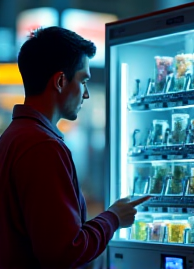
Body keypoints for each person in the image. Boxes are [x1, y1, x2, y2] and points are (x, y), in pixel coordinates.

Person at [0, 26, 151, 269]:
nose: (86, 94)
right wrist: (113, 218)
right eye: (83, 81)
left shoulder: (13, 137)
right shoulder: (43, 147)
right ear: (60, 81)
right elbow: (64, 252)